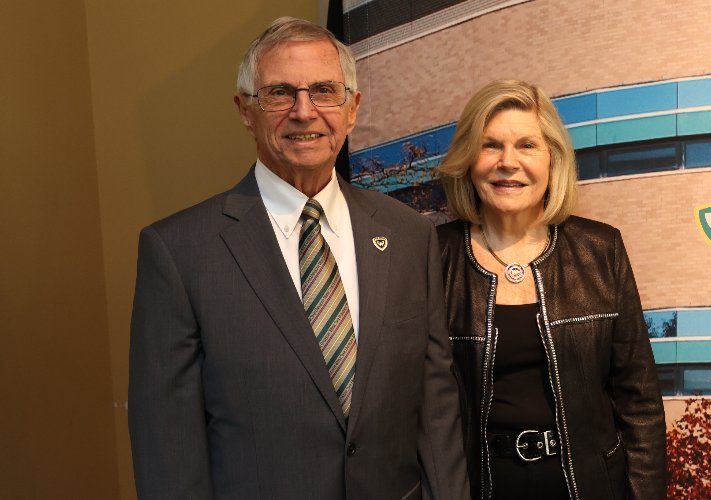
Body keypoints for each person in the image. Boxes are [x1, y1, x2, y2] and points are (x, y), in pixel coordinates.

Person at [128, 17, 467, 499]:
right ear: (245, 111)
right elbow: (168, 448)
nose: (304, 112)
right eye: (279, 93)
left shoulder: (409, 235)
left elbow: (435, 408)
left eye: (325, 90)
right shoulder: (180, 253)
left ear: (352, 109)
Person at [435, 80, 666, 500]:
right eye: (491, 146)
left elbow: (641, 404)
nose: (508, 162)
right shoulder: (434, 257)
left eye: (527, 145)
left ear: (552, 160)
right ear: (469, 159)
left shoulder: (601, 249)